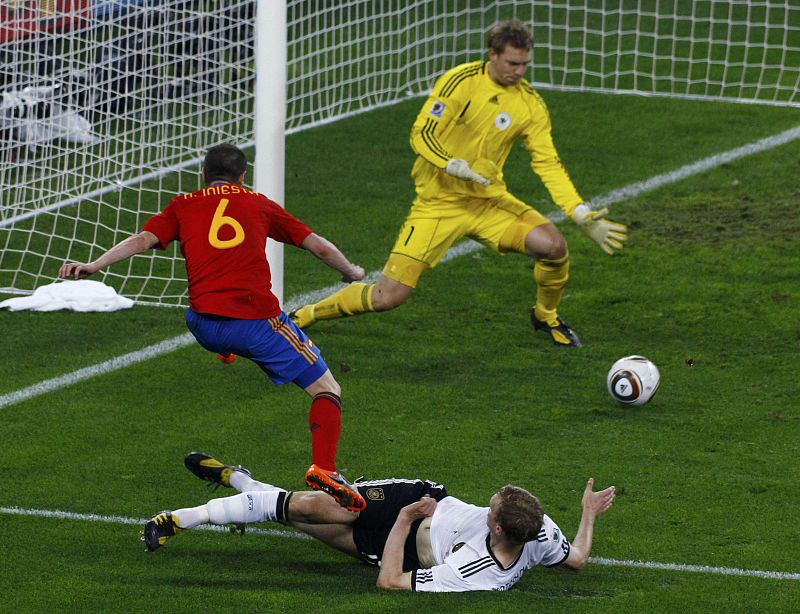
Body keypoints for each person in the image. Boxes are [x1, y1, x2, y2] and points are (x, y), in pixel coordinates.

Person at [58, 144, 367, 511]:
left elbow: (142, 240)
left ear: (202, 174)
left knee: (211, 318)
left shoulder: (183, 204)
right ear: (242, 177)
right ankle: (325, 470)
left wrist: (95, 264)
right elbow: (316, 246)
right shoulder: (259, 203)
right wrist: (351, 272)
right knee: (327, 389)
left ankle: (227, 349)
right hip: (254, 324)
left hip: (202, 326)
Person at [289, 19, 627, 348]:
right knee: (388, 297)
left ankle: (545, 315)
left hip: (488, 202)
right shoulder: (460, 82)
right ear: (492, 54)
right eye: (512, 63)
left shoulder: (530, 104)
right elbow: (421, 133)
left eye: (525, 64)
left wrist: (578, 211)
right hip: (439, 204)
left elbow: (547, 162)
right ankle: (308, 313)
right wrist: (450, 163)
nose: (519, 71)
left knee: (554, 246)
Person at [143, 452, 616, 593]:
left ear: (497, 530)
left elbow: (390, 581)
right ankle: (182, 519)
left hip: (406, 531)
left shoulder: (474, 571)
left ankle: (242, 481)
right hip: (419, 498)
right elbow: (574, 560)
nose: (489, 503)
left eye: (491, 509)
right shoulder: (540, 530)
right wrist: (588, 513)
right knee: (311, 509)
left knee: (303, 521)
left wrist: (407, 520)